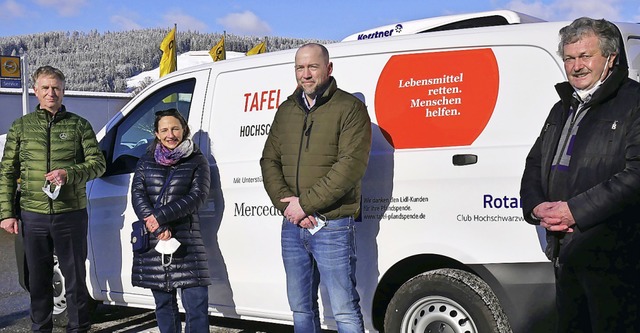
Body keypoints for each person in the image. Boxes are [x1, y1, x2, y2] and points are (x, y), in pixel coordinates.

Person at [520, 17, 640, 332]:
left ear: (610, 58)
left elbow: (636, 173)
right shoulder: (562, 108)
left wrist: (574, 211)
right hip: (565, 252)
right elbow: (534, 164)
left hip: (618, 255)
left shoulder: (633, 102)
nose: (576, 66)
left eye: (585, 56)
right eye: (570, 58)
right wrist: (536, 207)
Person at [260, 43, 372, 333]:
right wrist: (288, 206)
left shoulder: (350, 108)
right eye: (300, 67)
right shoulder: (286, 110)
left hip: (332, 224)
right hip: (292, 224)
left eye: (312, 67)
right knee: (300, 308)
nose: (305, 74)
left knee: (344, 309)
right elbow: (269, 160)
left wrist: (305, 204)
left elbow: (349, 167)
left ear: (328, 68)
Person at [0, 65, 106, 332]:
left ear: (63, 90)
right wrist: (6, 213)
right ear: (35, 91)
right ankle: (40, 328)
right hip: (32, 216)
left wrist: (68, 173)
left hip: (70, 213)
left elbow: (98, 164)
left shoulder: (79, 125)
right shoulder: (21, 127)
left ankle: (78, 328)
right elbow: (7, 171)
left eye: (56, 88)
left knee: (75, 281)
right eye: (45, 88)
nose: (51, 93)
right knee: (38, 281)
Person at [130, 108, 211, 333]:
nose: (170, 134)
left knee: (196, 307)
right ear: (156, 133)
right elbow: (138, 195)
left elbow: (197, 197)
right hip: (156, 243)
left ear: (184, 129)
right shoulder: (146, 161)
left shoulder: (197, 160)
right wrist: (157, 226)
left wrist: (159, 217)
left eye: (175, 128)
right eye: (164, 130)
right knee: (164, 305)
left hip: (187, 244)